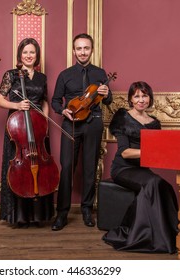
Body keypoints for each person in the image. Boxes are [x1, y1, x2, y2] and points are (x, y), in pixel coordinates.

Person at [102, 81, 179, 253]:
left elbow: (158, 154)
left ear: (150, 98)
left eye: (144, 96)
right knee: (152, 183)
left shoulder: (154, 123)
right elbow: (125, 153)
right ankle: (146, 235)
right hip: (122, 169)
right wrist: (150, 151)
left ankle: (169, 233)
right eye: (136, 96)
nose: (141, 100)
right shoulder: (122, 117)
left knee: (164, 185)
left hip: (142, 170)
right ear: (130, 99)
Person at [51, 33, 112, 231]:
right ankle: (62, 213)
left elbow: (108, 102)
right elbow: (54, 101)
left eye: (86, 48)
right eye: (79, 48)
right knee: (67, 166)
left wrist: (107, 93)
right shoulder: (65, 74)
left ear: (91, 50)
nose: (83, 52)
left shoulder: (100, 73)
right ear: (74, 51)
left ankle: (87, 209)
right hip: (72, 124)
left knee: (89, 167)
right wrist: (63, 110)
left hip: (93, 122)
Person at [0, 38, 55, 227]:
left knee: (40, 168)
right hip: (18, 129)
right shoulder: (11, 75)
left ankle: (38, 216)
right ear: (20, 55)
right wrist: (17, 105)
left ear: (37, 56)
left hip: (37, 130)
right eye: (25, 52)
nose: (29, 56)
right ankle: (18, 216)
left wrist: (44, 121)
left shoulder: (42, 77)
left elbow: (44, 101)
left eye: (32, 52)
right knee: (19, 170)